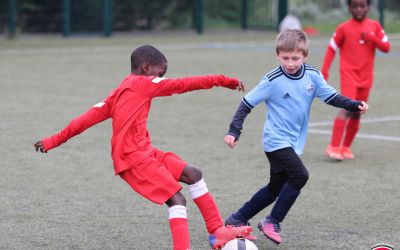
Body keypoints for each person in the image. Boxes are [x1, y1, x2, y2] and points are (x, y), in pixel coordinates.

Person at [34, 45, 252, 250]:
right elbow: (185, 84)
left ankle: (217, 231)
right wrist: (225, 81)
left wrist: (53, 141)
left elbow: (83, 121)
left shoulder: (118, 91)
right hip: (133, 159)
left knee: (192, 173)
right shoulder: (144, 84)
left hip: (145, 151)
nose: (161, 79)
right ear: (146, 68)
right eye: (160, 74)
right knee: (177, 199)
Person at [223, 29, 368, 245]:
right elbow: (246, 103)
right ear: (277, 55)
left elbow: (331, 96)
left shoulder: (312, 75)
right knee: (300, 175)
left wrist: (353, 105)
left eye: (295, 58)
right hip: (275, 140)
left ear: (305, 56)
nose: (290, 63)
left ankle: (236, 219)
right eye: (285, 58)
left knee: (275, 188)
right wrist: (234, 131)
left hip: (293, 141)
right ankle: (272, 221)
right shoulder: (272, 80)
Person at [322, 0, 390, 160]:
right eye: (355, 6)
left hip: (366, 78)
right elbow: (331, 48)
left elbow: (386, 48)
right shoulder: (343, 28)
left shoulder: (375, 26)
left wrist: (372, 38)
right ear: (349, 8)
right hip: (349, 76)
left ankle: (345, 148)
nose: (359, 9)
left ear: (368, 7)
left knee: (358, 111)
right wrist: (324, 71)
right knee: (347, 108)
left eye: (362, 6)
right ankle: (333, 147)